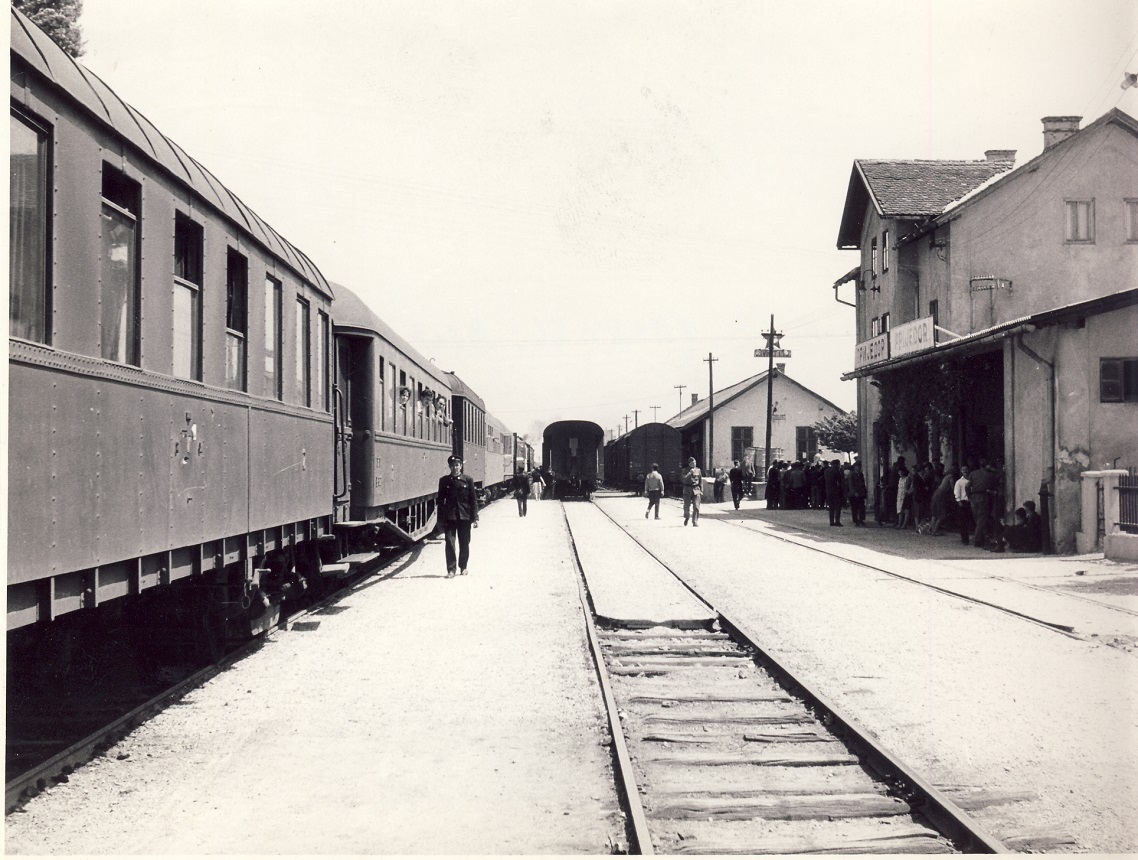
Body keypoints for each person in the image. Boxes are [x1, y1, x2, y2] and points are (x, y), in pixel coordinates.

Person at [438, 455, 479, 577]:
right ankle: (451, 569)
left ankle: (463, 567)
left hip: (465, 516)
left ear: (461, 466)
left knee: (464, 543)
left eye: (457, 465)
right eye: (453, 465)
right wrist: (440, 520)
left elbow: (473, 500)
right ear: (449, 467)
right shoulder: (444, 481)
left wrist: (475, 517)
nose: (455, 468)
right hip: (450, 517)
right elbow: (440, 502)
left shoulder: (468, 480)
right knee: (450, 543)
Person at [928, 468, 955, 536]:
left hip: (936, 493)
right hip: (941, 495)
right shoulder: (950, 477)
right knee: (942, 514)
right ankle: (934, 531)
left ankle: (930, 529)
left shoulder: (945, 477)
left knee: (935, 514)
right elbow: (953, 487)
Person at [845, 460, 868, 526]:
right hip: (853, 494)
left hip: (861, 493)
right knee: (854, 507)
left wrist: (864, 492)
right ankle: (856, 520)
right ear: (855, 467)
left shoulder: (860, 474)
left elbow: (863, 484)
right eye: (857, 466)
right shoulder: (851, 474)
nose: (859, 468)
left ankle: (861, 519)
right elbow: (851, 484)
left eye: (859, 466)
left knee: (861, 507)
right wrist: (854, 492)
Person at [682, 457, 703, 526]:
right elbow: (684, 479)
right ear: (689, 464)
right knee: (686, 506)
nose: (694, 464)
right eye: (692, 463)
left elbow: (700, 480)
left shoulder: (698, 470)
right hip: (687, 488)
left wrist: (701, 490)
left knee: (696, 506)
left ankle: (695, 521)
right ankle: (687, 517)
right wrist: (689, 473)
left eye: (695, 463)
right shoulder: (685, 470)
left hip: (696, 488)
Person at [954, 466, 973, 545]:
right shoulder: (959, 482)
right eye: (963, 470)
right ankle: (965, 539)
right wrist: (959, 502)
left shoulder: (971, 480)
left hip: (971, 502)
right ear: (961, 471)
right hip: (963, 502)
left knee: (970, 521)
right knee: (963, 522)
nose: (965, 471)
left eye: (966, 469)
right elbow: (956, 492)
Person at [824, 459, 845, 526]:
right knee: (837, 507)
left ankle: (831, 521)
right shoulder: (837, 471)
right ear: (836, 465)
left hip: (829, 491)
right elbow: (840, 481)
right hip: (837, 491)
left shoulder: (826, 471)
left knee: (831, 507)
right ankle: (837, 521)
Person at [895, 466, 913, 530]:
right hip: (899, 495)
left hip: (905, 495)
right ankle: (899, 523)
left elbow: (909, 486)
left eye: (901, 471)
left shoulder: (907, 478)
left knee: (905, 510)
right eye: (899, 471)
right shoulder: (900, 479)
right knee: (899, 510)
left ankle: (904, 524)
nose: (899, 473)